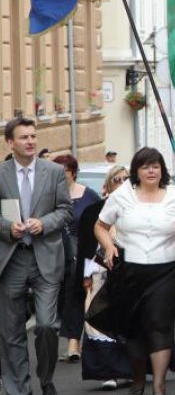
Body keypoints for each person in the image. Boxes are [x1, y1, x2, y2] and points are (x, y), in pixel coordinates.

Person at [95, 147, 175, 395]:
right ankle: (137, 376)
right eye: (145, 166)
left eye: (155, 166)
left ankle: (159, 386)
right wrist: (110, 246)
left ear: (162, 170)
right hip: (129, 271)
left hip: (165, 269)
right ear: (136, 170)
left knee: (160, 324)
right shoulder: (122, 195)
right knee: (133, 326)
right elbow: (100, 226)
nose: (151, 171)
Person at [0, 118, 72, 395]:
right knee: (10, 331)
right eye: (24, 137)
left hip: (45, 257)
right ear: (10, 142)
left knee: (45, 325)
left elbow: (66, 211)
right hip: (11, 259)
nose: (30, 141)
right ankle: (19, 393)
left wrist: (45, 223)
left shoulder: (53, 172)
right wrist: (7, 227)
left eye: (33, 136)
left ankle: (47, 382)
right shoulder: (1, 174)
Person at [78, 165, 133, 390]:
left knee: (127, 321)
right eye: (117, 180)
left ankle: (128, 370)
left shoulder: (137, 207)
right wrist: (86, 275)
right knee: (98, 323)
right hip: (100, 274)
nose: (122, 183)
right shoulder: (95, 211)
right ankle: (106, 372)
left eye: (126, 179)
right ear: (109, 185)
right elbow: (86, 246)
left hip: (129, 275)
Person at [52, 155, 101, 363]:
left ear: (72, 172)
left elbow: (100, 222)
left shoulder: (89, 196)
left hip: (84, 252)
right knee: (64, 297)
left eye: (63, 171)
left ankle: (75, 343)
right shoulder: (50, 197)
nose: (60, 176)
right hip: (57, 253)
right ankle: (73, 340)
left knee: (78, 294)